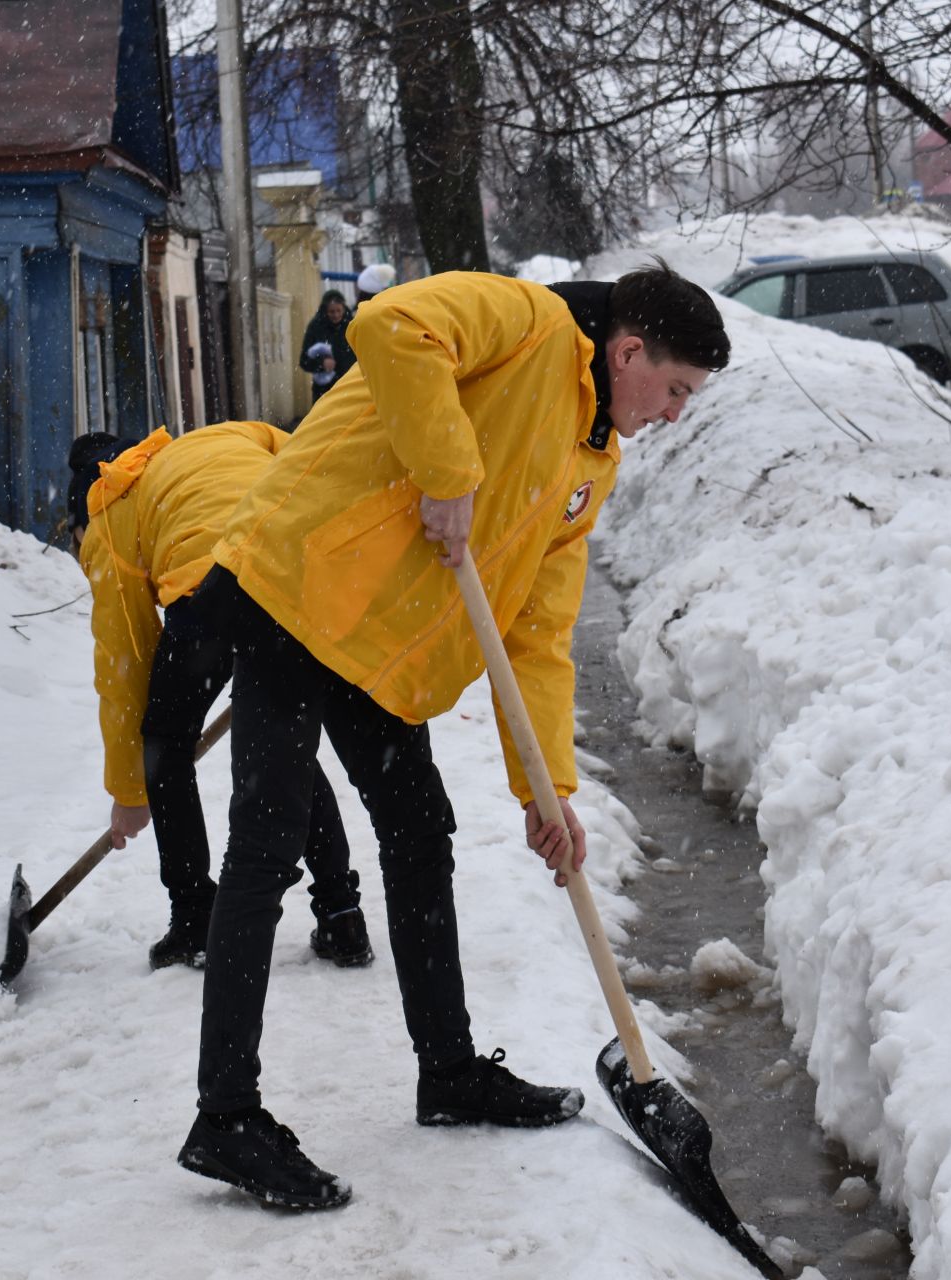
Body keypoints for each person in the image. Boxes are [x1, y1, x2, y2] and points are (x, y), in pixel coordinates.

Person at [174, 262, 731, 1209]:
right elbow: (392, 327)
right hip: (296, 587)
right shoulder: (525, 322)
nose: (675, 413)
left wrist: (545, 788)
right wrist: (447, 472)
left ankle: (449, 1070)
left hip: (377, 646)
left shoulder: (590, 464)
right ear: (630, 352)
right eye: (674, 390)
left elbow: (539, 639)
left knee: (420, 831)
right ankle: (225, 1118)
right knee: (267, 849)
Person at [68, 423, 374, 972]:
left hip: (208, 591)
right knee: (286, 743)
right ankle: (341, 913)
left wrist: (132, 790)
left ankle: (193, 921)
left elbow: (125, 666)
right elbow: (312, 455)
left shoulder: (109, 520)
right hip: (295, 573)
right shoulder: (222, 437)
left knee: (166, 741)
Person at [297, 290, 355, 403]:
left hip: (349, 387)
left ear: (344, 308)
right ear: (325, 311)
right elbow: (304, 360)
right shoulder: (316, 327)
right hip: (324, 392)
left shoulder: (351, 325)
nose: (336, 315)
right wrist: (322, 363)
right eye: (331, 311)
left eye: (339, 310)